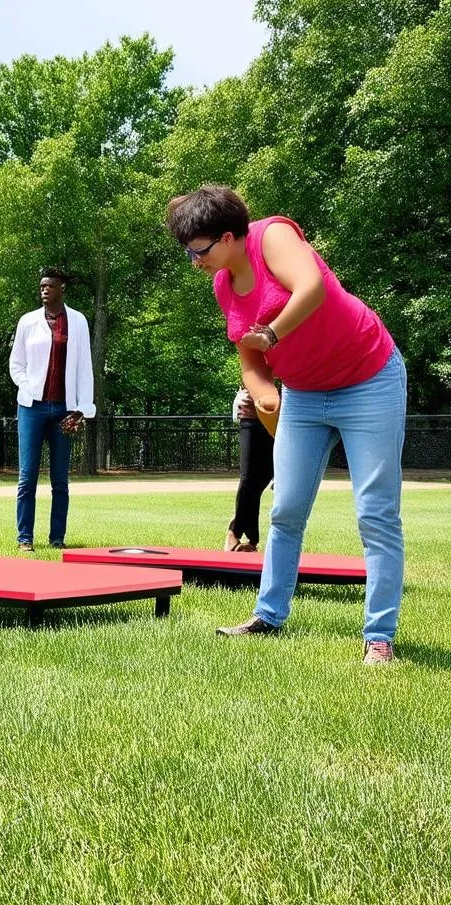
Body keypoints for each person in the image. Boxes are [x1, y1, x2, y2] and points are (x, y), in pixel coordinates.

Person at [167, 185, 406, 665]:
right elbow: (249, 357)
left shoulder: (271, 235)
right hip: (303, 394)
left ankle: (379, 635)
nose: (194, 261)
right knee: (286, 510)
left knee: (375, 514)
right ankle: (268, 616)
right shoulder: (222, 285)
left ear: (229, 237)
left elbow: (312, 289)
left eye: (199, 250)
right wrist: (263, 393)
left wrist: (273, 331)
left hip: (368, 380)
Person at [9, 267, 95, 552]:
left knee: (60, 479)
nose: (44, 290)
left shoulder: (78, 322)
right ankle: (25, 538)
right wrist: (28, 386)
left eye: (50, 286)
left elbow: (84, 368)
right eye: (42, 286)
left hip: (64, 409)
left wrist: (82, 408)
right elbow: (16, 364)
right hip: (31, 408)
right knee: (27, 476)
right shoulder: (27, 321)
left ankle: (57, 538)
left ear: (62, 289)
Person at [225, 386, 275, 552]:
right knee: (248, 477)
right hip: (252, 413)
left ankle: (246, 533)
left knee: (265, 475)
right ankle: (236, 532)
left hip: (279, 415)